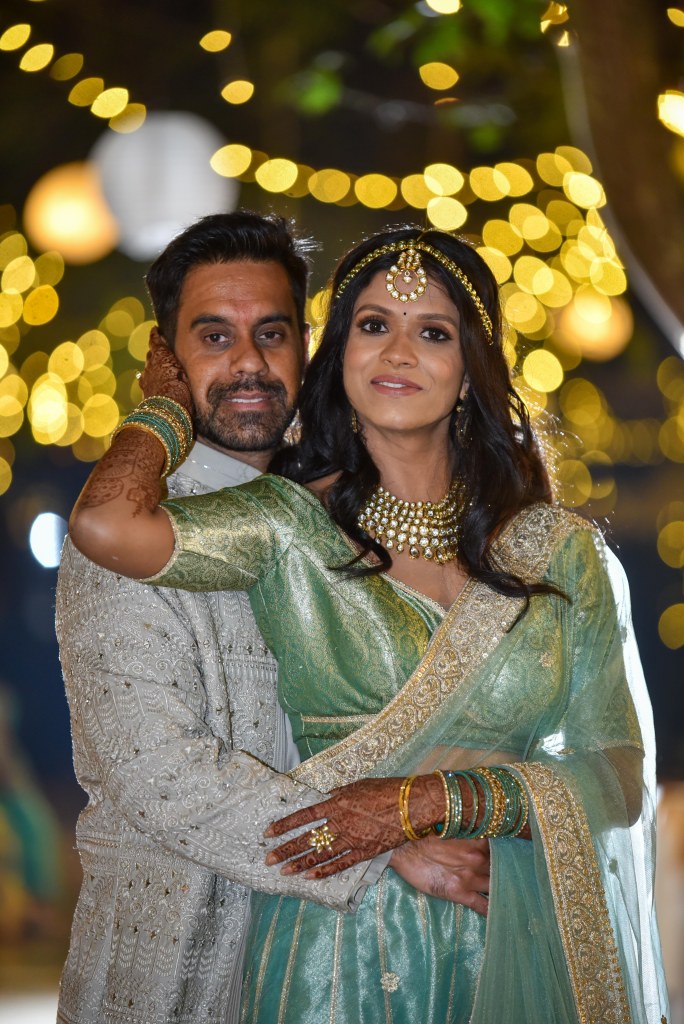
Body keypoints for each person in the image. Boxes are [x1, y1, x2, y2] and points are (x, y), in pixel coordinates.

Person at [68, 223, 669, 1023]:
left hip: (515, 937)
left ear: (471, 370)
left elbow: (618, 774)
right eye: (375, 325)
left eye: (434, 333)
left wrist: (437, 800)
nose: (398, 353)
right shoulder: (286, 524)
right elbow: (104, 528)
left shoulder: (557, 554)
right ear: (341, 355)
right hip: (339, 956)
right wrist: (164, 405)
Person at [56, 213, 490, 1024]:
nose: (249, 363)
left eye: (271, 333)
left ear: (306, 347)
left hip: (358, 968)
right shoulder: (131, 533)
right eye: (213, 337)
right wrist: (376, 847)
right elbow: (160, 775)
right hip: (181, 967)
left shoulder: (346, 514)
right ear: (166, 356)